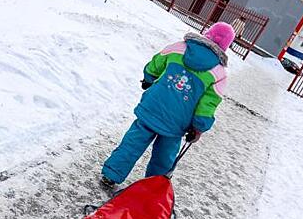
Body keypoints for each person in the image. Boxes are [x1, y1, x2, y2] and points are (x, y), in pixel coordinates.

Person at [100, 22, 235, 188]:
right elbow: (207, 105)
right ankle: (153, 188)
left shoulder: (179, 47)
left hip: (152, 108)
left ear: (207, 33)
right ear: (226, 46)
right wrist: (198, 127)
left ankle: (111, 174)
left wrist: (148, 78)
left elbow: (156, 63)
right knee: (164, 157)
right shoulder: (218, 73)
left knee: (132, 143)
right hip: (177, 122)